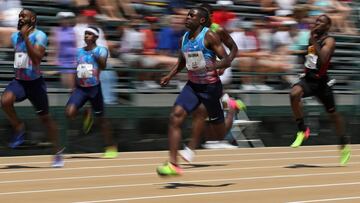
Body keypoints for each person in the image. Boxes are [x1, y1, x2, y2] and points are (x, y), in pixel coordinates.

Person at [156, 7, 235, 176]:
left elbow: (226, 60)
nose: (187, 17)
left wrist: (213, 66)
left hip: (211, 89)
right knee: (175, 116)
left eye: (192, 15)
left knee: (219, 135)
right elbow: (182, 61)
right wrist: (169, 76)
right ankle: (173, 164)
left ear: (201, 20)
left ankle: (231, 110)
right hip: (192, 86)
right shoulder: (184, 38)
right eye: (187, 14)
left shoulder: (210, 36)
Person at [179, 3, 246, 162]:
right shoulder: (193, 32)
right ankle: (229, 104)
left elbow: (234, 48)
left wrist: (223, 65)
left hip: (217, 72)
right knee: (202, 114)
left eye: (206, 16)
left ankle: (191, 148)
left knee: (201, 112)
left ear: (210, 16)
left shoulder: (217, 30)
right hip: (201, 75)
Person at [0, 8, 64, 167]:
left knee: (45, 119)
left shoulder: (40, 35)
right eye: (19, 16)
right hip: (20, 81)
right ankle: (18, 126)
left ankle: (57, 153)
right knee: (5, 101)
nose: (20, 18)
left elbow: (36, 60)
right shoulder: (15, 36)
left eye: (24, 16)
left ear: (33, 19)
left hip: (35, 83)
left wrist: (26, 38)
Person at [289, 15, 351, 165]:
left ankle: (343, 144)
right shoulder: (313, 37)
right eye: (316, 20)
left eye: (321, 21)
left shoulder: (329, 41)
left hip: (322, 83)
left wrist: (312, 38)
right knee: (294, 94)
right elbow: (311, 58)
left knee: (333, 115)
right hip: (308, 79)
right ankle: (302, 129)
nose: (317, 23)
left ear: (328, 26)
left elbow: (323, 59)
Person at [65, 26, 118, 158]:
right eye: (85, 34)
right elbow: (73, 70)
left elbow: (103, 66)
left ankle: (110, 147)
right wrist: (72, 87)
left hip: (94, 89)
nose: (86, 36)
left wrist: (95, 55)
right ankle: (86, 112)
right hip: (80, 89)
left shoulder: (102, 50)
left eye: (89, 34)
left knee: (101, 120)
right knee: (69, 113)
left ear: (95, 37)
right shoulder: (78, 52)